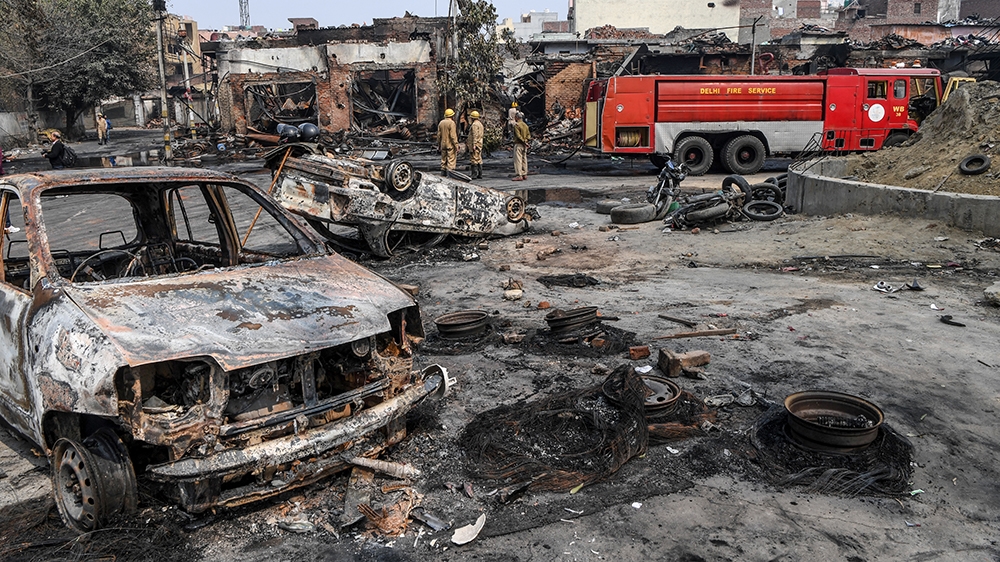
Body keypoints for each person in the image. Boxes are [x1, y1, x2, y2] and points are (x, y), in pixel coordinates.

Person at [438, 108, 457, 176]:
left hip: (443, 145)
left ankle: (443, 174)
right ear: (452, 116)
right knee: (451, 161)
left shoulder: (441, 123)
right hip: (450, 145)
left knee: (443, 160)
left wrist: (439, 145)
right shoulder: (452, 123)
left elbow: (439, 135)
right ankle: (450, 176)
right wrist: (456, 145)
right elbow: (453, 136)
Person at [512, 113, 530, 181]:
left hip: (519, 144)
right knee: (524, 159)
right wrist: (526, 141)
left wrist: (523, 141)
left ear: (517, 117)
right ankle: (524, 174)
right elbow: (528, 135)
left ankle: (519, 175)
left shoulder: (517, 125)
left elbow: (518, 136)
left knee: (518, 160)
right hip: (524, 145)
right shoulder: (525, 125)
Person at [467, 110, 484, 179]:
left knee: (474, 159)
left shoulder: (474, 125)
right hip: (480, 143)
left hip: (476, 144)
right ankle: (480, 174)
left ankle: (474, 174)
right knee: (479, 158)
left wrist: (474, 144)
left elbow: (475, 135)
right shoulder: (480, 124)